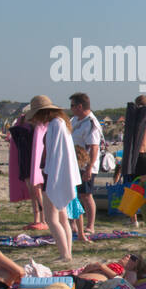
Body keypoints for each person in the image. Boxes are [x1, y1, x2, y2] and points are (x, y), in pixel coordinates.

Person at [26, 95, 81, 263]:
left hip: (54, 175)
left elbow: (55, 155)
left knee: (51, 218)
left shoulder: (56, 125)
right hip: (58, 174)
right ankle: (67, 252)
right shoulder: (60, 124)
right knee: (62, 217)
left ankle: (65, 254)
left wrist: (49, 175)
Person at [69, 93, 102, 238]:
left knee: (86, 195)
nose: (71, 109)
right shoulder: (75, 120)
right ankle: (74, 223)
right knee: (73, 194)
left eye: (72, 106)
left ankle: (90, 225)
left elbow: (94, 147)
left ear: (79, 106)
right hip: (75, 163)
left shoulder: (91, 123)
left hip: (86, 164)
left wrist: (89, 168)